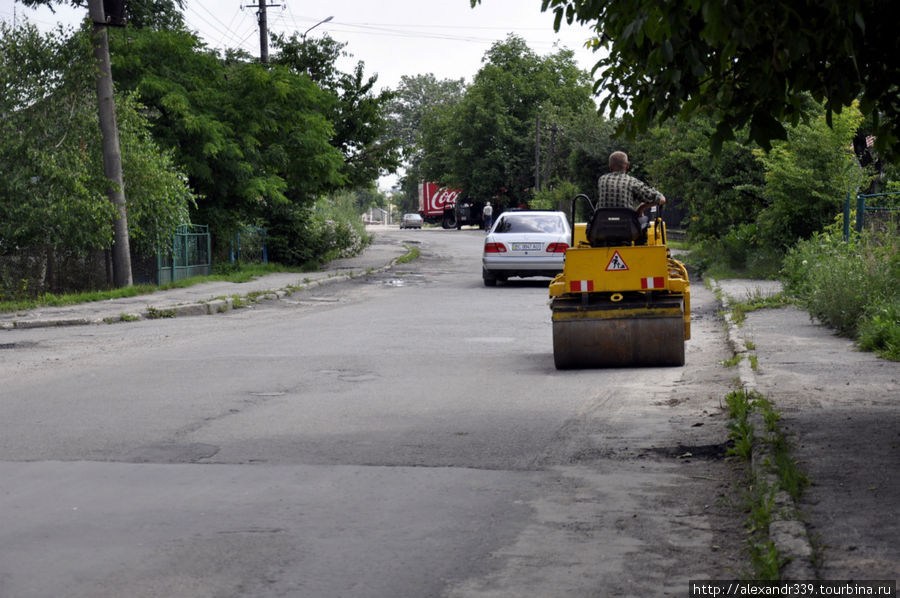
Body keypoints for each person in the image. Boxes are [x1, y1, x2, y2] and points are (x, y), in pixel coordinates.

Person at [597, 151, 666, 216]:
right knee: (643, 220)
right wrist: (641, 207)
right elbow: (661, 199)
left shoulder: (602, 179)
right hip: (626, 226)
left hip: (601, 225)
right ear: (628, 165)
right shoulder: (632, 182)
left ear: (610, 166)